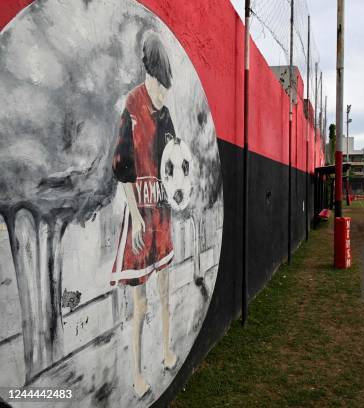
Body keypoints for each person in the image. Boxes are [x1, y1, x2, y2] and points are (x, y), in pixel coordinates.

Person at [111, 34, 177, 398]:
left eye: (166, 87)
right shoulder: (132, 107)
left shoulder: (165, 112)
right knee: (141, 302)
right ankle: (136, 373)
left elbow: (174, 161)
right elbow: (121, 168)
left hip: (162, 212)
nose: (162, 94)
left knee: (165, 291)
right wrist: (136, 217)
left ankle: (166, 351)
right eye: (158, 85)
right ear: (148, 74)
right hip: (140, 214)